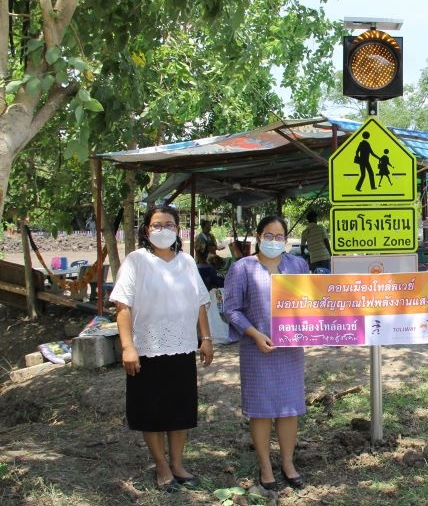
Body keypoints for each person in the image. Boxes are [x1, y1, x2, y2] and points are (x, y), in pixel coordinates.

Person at [110, 205, 214, 491]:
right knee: (152, 410)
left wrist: (205, 338)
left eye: (169, 225)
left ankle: (178, 464)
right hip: (146, 349)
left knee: (179, 408)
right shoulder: (135, 261)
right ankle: (161, 465)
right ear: (146, 230)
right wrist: (128, 347)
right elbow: (122, 306)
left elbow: (200, 303)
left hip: (181, 348)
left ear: (178, 230)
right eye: (157, 225)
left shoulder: (187, 262)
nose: (163, 230)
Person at [224, 215, 310, 491]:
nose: (274, 241)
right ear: (259, 236)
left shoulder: (298, 265)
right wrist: (254, 334)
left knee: (289, 409)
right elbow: (231, 309)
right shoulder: (242, 268)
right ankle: (264, 466)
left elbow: (311, 302)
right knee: (261, 411)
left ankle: (287, 462)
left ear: (286, 239)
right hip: (256, 349)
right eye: (269, 235)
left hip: (290, 350)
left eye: (280, 236)